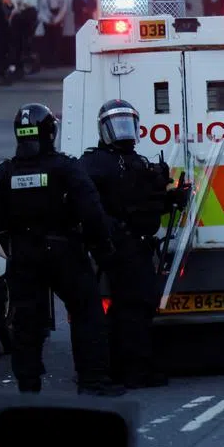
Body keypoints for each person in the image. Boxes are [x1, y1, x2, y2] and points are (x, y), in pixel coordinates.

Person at [0, 103, 125, 396]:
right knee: (86, 312)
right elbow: (92, 212)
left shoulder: (3, 173)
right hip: (64, 252)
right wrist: (102, 248)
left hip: (23, 255)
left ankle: (28, 388)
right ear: (51, 133)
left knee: (25, 323)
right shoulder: (66, 168)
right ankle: (92, 381)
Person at [80, 100, 190, 388]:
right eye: (117, 125)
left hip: (138, 245)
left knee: (136, 307)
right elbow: (91, 206)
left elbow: (145, 204)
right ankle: (132, 370)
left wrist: (171, 199)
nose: (123, 131)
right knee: (133, 308)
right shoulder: (95, 163)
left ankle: (132, 366)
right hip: (119, 246)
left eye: (127, 124)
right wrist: (110, 232)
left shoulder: (138, 161)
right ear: (104, 129)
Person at [36, 0, 68, 67]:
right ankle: (48, 62)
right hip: (47, 21)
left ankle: (57, 62)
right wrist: (47, 20)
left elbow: (64, 7)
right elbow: (40, 9)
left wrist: (57, 20)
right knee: (48, 42)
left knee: (57, 42)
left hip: (58, 21)